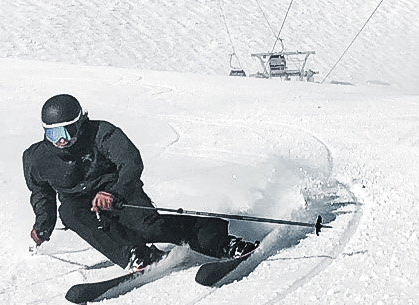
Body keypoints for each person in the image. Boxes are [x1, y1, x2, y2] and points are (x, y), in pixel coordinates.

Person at [23, 93, 254, 271]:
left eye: (66, 131)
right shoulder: (37, 158)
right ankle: (137, 256)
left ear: (80, 123)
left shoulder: (101, 133)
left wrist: (114, 192)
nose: (61, 140)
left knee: (150, 228)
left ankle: (223, 242)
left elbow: (130, 162)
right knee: (69, 211)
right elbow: (41, 193)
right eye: (53, 134)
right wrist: (43, 226)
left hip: (120, 194)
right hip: (83, 207)